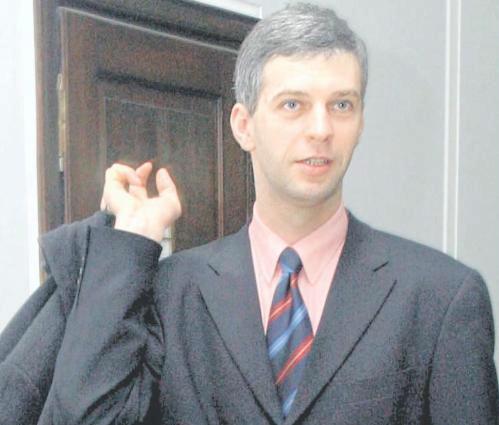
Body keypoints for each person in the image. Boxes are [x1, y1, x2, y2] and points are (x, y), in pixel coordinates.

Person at [0, 3, 497, 424]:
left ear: (361, 121)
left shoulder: (441, 296)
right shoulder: (172, 293)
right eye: (293, 105)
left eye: (341, 105)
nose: (321, 129)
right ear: (243, 125)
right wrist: (132, 239)